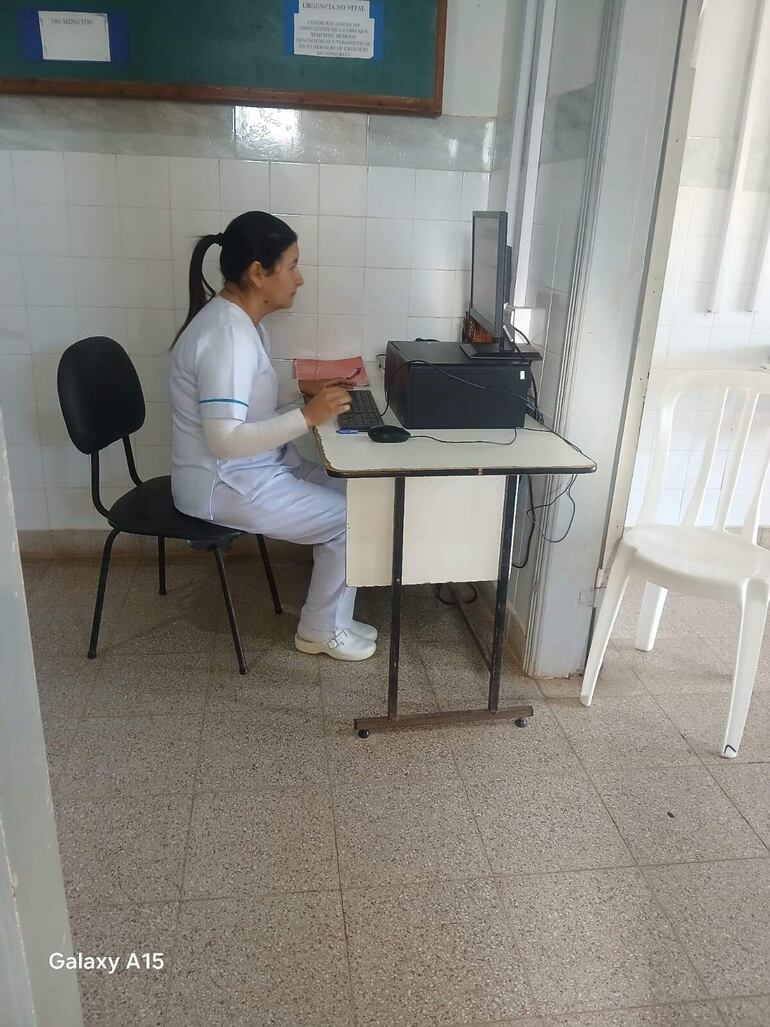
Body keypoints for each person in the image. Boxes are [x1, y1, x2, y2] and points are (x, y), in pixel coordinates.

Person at [169, 211, 377, 661]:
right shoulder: (226, 338)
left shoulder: (243, 323)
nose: (299, 279)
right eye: (292, 266)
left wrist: (302, 391)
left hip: (254, 468)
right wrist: (308, 416)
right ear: (258, 273)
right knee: (352, 520)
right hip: (223, 483)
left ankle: (335, 619)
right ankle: (320, 630)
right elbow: (224, 440)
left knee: (362, 499)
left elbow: (247, 397)